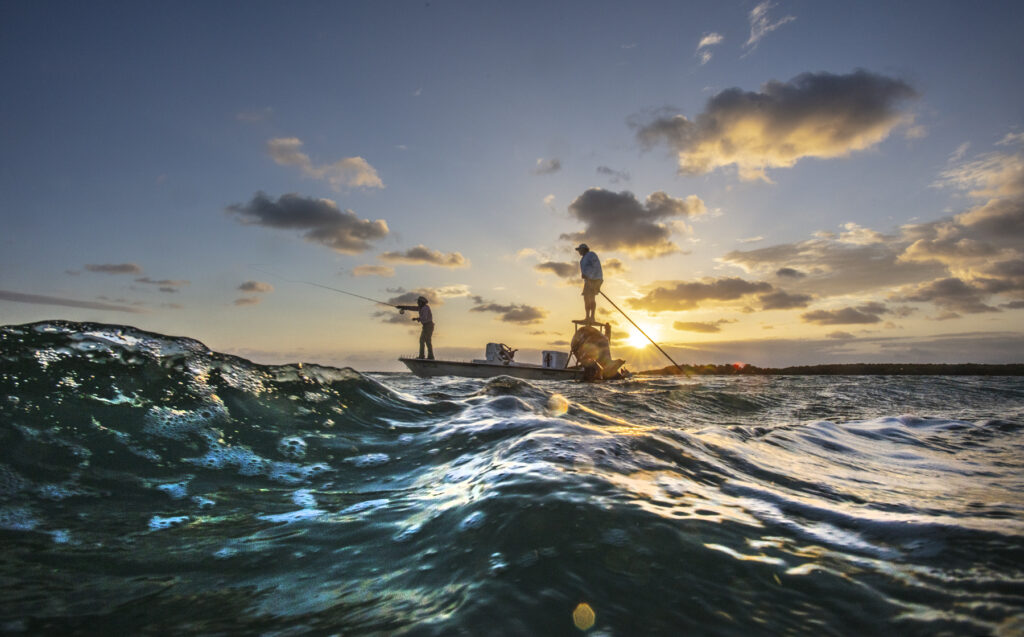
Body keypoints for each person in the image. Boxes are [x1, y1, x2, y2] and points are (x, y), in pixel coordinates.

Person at [576, 243, 603, 323]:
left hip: (594, 279)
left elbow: (596, 266)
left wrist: (591, 278)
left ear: (584, 249)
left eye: (580, 250)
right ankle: (587, 317)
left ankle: (592, 317)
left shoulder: (591, 255)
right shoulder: (582, 260)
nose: (579, 252)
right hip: (588, 281)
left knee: (591, 297)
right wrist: (586, 277)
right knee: (586, 297)